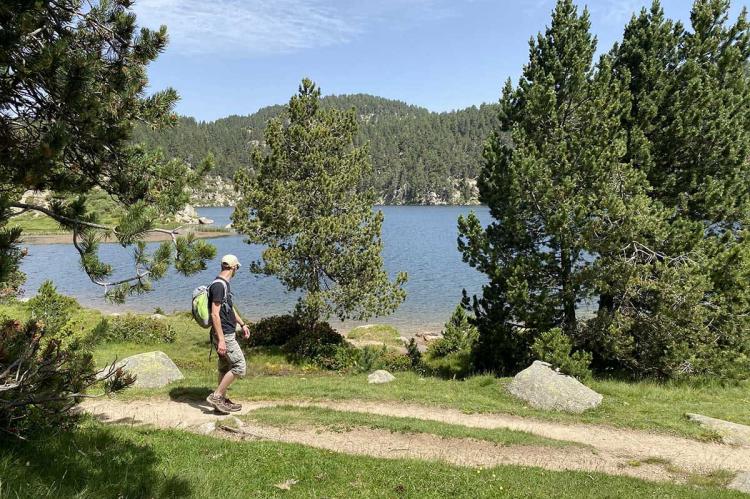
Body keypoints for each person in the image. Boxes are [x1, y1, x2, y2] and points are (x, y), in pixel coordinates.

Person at [205, 254, 250, 414]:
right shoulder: (218, 286)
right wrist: (222, 340)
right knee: (239, 366)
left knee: (224, 368)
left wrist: (242, 324)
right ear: (233, 267)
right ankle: (217, 396)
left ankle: (221, 401)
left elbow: (229, 308)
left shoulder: (224, 284)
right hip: (224, 335)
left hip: (225, 333)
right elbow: (215, 315)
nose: (236, 269)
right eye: (236, 267)